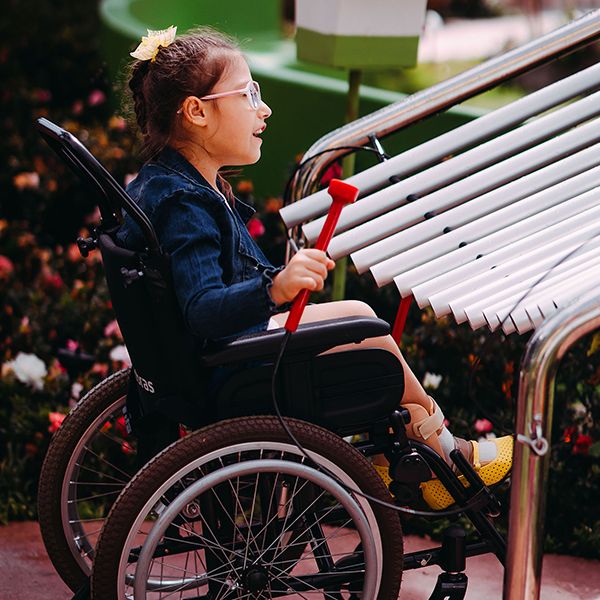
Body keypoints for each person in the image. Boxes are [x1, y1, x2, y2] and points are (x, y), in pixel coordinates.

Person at [119, 25, 512, 510]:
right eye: (248, 94)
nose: (263, 109)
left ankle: (428, 441)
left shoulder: (166, 185)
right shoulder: (186, 205)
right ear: (197, 111)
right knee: (369, 328)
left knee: (359, 316)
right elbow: (202, 310)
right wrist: (276, 288)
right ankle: (447, 455)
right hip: (232, 367)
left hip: (218, 357)